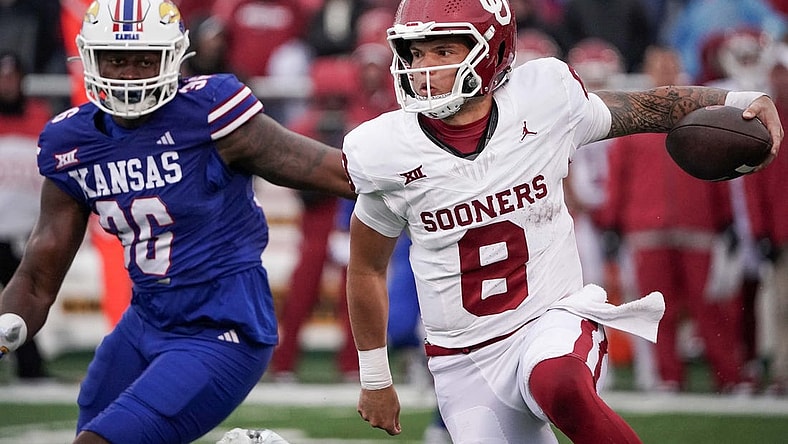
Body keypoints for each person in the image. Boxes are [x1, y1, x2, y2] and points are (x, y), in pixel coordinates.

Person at [340, 1, 783, 442]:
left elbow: (647, 108)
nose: (423, 68)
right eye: (416, 54)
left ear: (492, 52)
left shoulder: (543, 100)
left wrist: (739, 100)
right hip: (465, 360)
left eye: (443, 51)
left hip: (550, 317)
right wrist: (376, 376)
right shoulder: (384, 150)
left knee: (559, 381)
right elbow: (366, 267)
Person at [0, 1, 353, 444]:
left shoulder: (209, 112)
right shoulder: (71, 141)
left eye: (145, 59)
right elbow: (36, 278)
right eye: (116, 59)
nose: (129, 74)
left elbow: (328, 169)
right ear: (89, 58)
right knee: (92, 431)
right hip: (143, 324)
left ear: (173, 58)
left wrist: (417, 184)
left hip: (222, 327)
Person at [597, 45, 752, 394]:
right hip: (647, 229)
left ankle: (729, 376)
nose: (665, 71)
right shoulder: (635, 118)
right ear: (648, 71)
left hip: (697, 227)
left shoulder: (704, 113)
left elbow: (719, 167)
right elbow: (617, 173)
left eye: (671, 64)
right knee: (656, 310)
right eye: (659, 65)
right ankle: (668, 377)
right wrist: (612, 223)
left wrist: (725, 218)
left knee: (710, 307)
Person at [0, 50, 52, 381]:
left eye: (12, 76)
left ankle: (30, 365)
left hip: (21, 230)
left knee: (21, 299)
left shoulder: (39, 115)